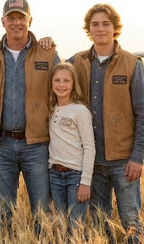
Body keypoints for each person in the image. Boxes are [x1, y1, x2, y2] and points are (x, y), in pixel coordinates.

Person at [67, 3, 144, 243]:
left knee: (131, 222)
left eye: (106, 24)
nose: (100, 28)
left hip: (124, 162)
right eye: (95, 24)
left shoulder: (132, 64)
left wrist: (137, 157)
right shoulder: (77, 62)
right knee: (98, 224)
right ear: (88, 29)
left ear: (115, 28)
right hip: (91, 162)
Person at [0, 0, 60, 233]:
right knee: (3, 212)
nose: (16, 23)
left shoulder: (47, 53)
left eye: (21, 18)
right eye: (11, 18)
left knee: (42, 210)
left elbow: (66, 85)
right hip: (1, 145)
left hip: (37, 145)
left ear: (30, 21)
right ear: (3, 22)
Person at [48, 62, 95, 238]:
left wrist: (85, 182)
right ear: (51, 83)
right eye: (57, 80)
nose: (61, 85)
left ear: (74, 83)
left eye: (66, 80)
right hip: (55, 175)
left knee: (75, 228)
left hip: (76, 176)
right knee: (61, 225)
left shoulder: (80, 110)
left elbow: (89, 147)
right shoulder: (51, 109)